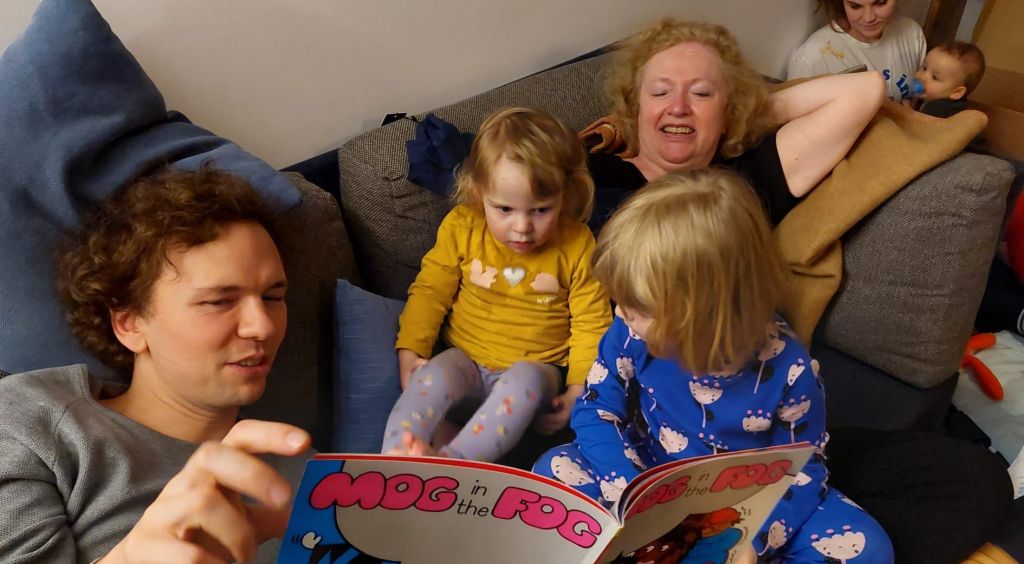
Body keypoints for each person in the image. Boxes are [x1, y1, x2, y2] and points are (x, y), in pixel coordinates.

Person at [582, 16, 1013, 564]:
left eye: (703, 93)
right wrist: (634, 495)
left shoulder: (747, 178)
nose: (679, 107)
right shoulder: (590, 176)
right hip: (648, 442)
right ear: (633, 103)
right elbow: (511, 190)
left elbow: (864, 90)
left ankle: (722, 547)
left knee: (974, 480)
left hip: (754, 447)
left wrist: (740, 113)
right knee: (562, 471)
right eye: (660, 91)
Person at [535, 169, 894, 562]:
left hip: (746, 500)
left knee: (868, 547)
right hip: (649, 475)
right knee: (552, 471)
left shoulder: (790, 370)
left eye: (639, 307)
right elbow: (596, 410)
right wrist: (629, 496)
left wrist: (752, 541)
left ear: (704, 315)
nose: (621, 313)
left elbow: (805, 469)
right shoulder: (629, 332)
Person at [0, 167, 312, 563]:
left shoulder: (317, 477)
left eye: (272, 297)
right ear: (129, 323)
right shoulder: (32, 418)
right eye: (218, 301)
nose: (263, 326)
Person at [383, 107, 612, 461]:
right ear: (479, 193)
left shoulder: (578, 244)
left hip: (537, 374)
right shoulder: (463, 226)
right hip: (466, 360)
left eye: (541, 210)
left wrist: (577, 390)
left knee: (523, 380)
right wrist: (411, 352)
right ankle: (394, 459)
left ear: (565, 195)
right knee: (432, 377)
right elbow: (430, 292)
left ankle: (453, 464)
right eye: (504, 209)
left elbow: (592, 324)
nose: (522, 228)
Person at [787, 0, 926, 102]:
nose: (868, 18)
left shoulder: (911, 33)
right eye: (855, 6)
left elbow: (921, 94)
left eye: (880, 3)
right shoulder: (812, 60)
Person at [913, 40, 987, 118]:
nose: (922, 76)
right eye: (924, 68)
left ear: (957, 92)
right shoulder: (936, 97)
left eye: (935, 77)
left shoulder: (937, 110)